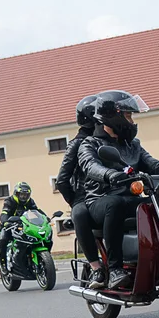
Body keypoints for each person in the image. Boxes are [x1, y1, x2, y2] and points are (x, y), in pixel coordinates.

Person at [77, 90, 159, 290]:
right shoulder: (89, 144)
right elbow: (90, 166)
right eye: (128, 115)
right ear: (113, 115)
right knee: (114, 204)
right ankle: (114, 269)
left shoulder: (133, 145)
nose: (132, 121)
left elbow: (153, 164)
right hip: (100, 199)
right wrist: (109, 174)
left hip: (129, 197)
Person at [55, 95, 104, 288]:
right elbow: (61, 180)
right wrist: (75, 200)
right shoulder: (77, 143)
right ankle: (95, 266)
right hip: (84, 195)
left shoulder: (107, 138)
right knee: (80, 214)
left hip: (106, 193)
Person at [0, 182, 40, 273]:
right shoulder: (9, 201)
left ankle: (37, 259)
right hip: (10, 225)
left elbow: (36, 211)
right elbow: (4, 213)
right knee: (3, 238)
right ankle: (2, 262)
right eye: (22, 195)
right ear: (16, 194)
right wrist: (6, 222)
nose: (24, 197)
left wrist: (44, 218)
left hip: (25, 225)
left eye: (26, 195)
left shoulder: (30, 201)